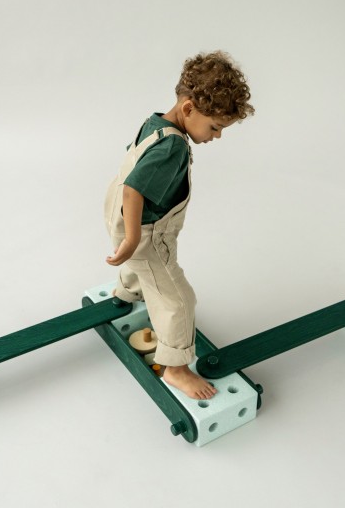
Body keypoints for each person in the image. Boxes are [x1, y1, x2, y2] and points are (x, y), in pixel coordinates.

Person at [104, 51, 254, 400]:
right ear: (188, 109)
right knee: (178, 299)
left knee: (141, 267)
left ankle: (126, 293)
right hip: (145, 232)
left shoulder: (155, 123)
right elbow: (134, 189)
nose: (217, 136)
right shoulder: (172, 146)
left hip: (115, 215)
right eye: (215, 127)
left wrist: (127, 236)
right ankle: (176, 368)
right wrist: (134, 237)